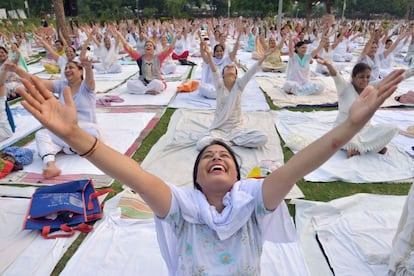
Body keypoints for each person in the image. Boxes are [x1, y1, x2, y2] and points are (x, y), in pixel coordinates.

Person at [18, 65, 404, 274]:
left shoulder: (254, 201)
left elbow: (296, 168)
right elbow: (132, 175)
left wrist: (350, 128)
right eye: (206, 158)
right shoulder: (182, 208)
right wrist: (77, 138)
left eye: (224, 158)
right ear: (197, 179)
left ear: (237, 177)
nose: (215, 157)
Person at [3, 40, 100, 178]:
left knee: (92, 134)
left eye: (71, 67)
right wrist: (17, 70)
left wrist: (89, 68)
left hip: (85, 131)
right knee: (42, 134)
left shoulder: (87, 87)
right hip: (67, 131)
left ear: (80, 72)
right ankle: (51, 165)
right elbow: (37, 82)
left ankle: (69, 148)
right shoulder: (62, 85)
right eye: (66, 68)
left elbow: (90, 79)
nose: (67, 70)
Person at [317, 58, 408, 157]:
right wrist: (329, 65)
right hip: (345, 130)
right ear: (353, 77)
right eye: (361, 77)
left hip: (365, 131)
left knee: (393, 128)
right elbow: (336, 76)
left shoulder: (371, 87)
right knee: (347, 140)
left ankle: (361, 149)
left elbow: (392, 80)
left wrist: (410, 72)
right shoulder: (345, 87)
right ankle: (368, 147)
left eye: (368, 77)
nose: (365, 80)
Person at [195, 40, 274, 151]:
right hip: (219, 129)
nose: (230, 67)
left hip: (236, 129)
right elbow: (214, 71)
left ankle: (227, 143)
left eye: (232, 67)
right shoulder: (219, 86)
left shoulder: (239, 85)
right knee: (201, 144)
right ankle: (230, 142)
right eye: (227, 67)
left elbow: (252, 71)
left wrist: (264, 56)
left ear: (236, 75)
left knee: (262, 138)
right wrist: (208, 54)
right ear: (222, 74)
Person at [117, 30, 175, 95]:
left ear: (153, 49)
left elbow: (170, 48)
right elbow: (128, 47)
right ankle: (147, 91)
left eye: (150, 45)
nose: (148, 46)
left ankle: (143, 90)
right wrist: (119, 35)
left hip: (155, 81)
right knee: (129, 84)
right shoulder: (139, 57)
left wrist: (176, 37)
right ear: (144, 49)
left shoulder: (158, 57)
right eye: (146, 45)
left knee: (157, 83)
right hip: (143, 83)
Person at [198, 27, 241, 99]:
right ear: (214, 52)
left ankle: (222, 94)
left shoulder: (226, 59)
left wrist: (238, 37)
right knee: (202, 88)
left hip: (223, 86)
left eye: (221, 51)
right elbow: (203, 55)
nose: (219, 53)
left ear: (223, 52)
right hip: (211, 86)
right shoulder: (211, 60)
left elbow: (234, 52)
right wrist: (201, 46)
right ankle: (222, 95)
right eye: (217, 51)